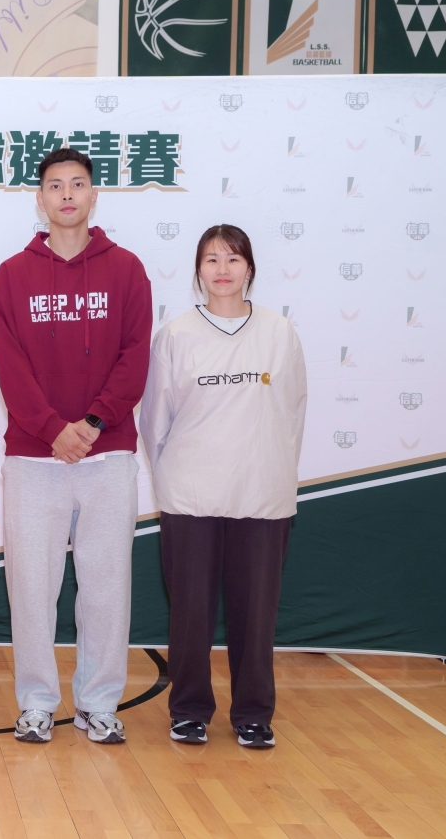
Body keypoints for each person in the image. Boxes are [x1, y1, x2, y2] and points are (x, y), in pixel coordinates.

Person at [0, 147, 152, 745]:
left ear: (93, 195)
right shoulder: (12, 276)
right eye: (55, 185)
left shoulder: (127, 270)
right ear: (40, 199)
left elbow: (135, 357)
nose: (66, 195)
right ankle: (36, 703)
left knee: (106, 586)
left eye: (77, 184)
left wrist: (91, 422)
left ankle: (99, 703)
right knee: (32, 588)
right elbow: (12, 369)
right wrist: (54, 429)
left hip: (107, 454)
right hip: (34, 458)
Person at [140, 224, 307, 749]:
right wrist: (173, 483)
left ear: (249, 268)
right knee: (190, 612)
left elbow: (293, 412)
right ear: (198, 270)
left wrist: (274, 473)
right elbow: (155, 422)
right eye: (211, 259)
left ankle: (253, 714)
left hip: (261, 495)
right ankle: (189, 710)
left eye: (233, 259)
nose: (222, 269)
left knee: (255, 614)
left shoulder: (279, 332)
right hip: (191, 495)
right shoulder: (176, 335)